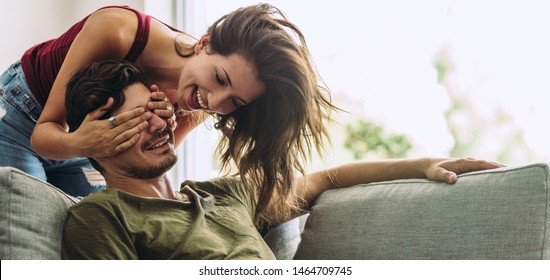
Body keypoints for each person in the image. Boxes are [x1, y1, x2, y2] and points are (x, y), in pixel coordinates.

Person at [61, 60, 502, 259]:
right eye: (132, 121)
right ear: (94, 139)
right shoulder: (102, 216)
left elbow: (325, 177)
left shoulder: (225, 194)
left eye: (155, 112)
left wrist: (420, 165)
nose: (157, 126)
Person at [0, 3, 335, 218]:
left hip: (91, 147)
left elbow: (147, 170)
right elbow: (44, 134)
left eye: (235, 102)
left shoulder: (198, 102)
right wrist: (82, 143)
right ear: (204, 43)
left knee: (82, 225)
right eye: (220, 78)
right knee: (28, 218)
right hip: (23, 114)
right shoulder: (117, 30)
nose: (216, 103)